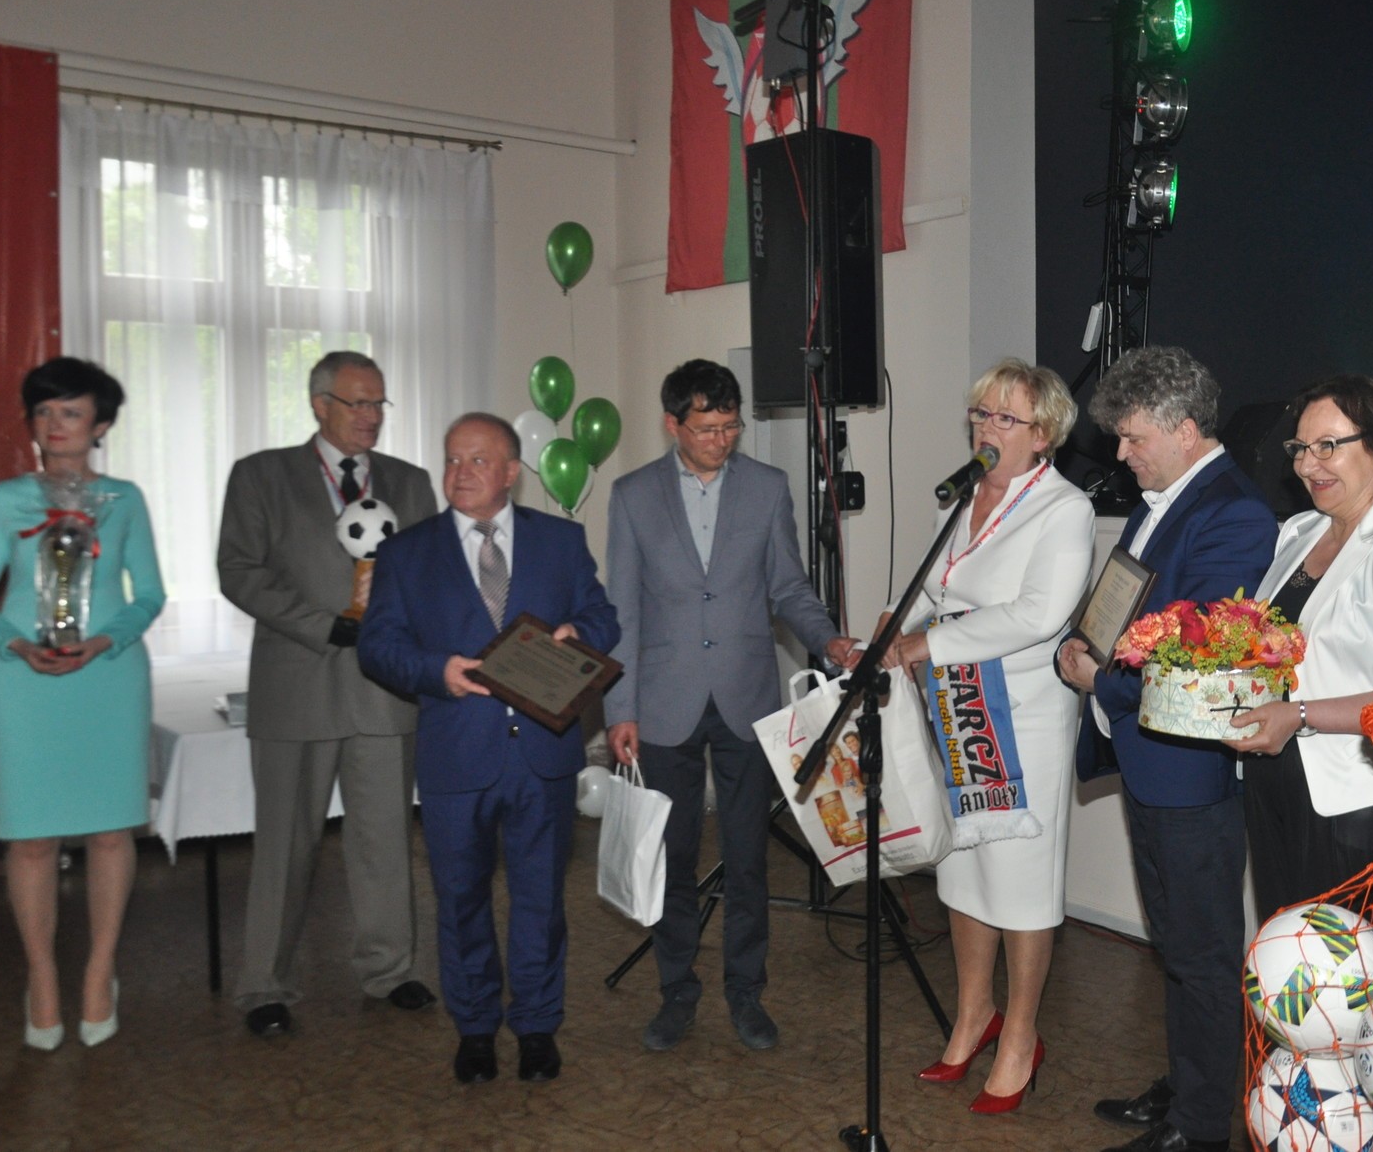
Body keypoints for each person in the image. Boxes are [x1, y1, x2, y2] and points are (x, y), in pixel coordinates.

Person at [602, 358, 859, 1053]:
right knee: (674, 854)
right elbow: (621, 610)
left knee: (748, 857)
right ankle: (676, 991)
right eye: (706, 428)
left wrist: (829, 639)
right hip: (663, 702)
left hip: (746, 697)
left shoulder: (767, 488)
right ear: (672, 424)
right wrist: (619, 708)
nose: (721, 439)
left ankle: (746, 992)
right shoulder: (633, 496)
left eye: (730, 426)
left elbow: (789, 587)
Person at [1055, 345, 1275, 1152]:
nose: (1120, 452)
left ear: (1185, 429)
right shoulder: (1166, 500)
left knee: (1202, 954)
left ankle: (1200, 1127)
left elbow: (1198, 654)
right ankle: (1188, 1085)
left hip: (1192, 772)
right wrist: (1081, 642)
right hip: (1155, 764)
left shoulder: (1234, 513)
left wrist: (1098, 680)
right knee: (1177, 947)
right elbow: (1127, 615)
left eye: (1133, 436)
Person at [359, 412, 618, 1085]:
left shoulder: (560, 540)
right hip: (456, 752)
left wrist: (577, 634)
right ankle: (474, 1027)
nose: (461, 472)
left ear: (510, 472)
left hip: (542, 753)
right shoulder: (407, 552)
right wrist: (435, 671)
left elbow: (603, 616)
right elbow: (377, 645)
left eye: (478, 460)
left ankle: (537, 1026)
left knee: (540, 901)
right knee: (460, 900)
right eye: (452, 459)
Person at [883, 359, 1095, 1114]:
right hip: (957, 708)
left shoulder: (1064, 508)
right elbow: (934, 586)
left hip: (1023, 717)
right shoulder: (966, 494)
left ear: (1044, 435)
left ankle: (1022, 1036)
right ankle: (974, 1015)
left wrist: (927, 644)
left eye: (1006, 418)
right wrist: (895, 626)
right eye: (980, 413)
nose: (987, 428)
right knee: (962, 869)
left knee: (1021, 882)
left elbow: (1040, 614)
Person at [217, 350, 440, 1037]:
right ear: (320, 405)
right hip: (296, 685)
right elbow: (238, 571)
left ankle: (390, 970)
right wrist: (325, 626)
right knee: (285, 845)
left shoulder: (410, 482)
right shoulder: (260, 475)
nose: (371, 416)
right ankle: (265, 984)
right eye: (357, 402)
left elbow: (432, 574)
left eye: (379, 403)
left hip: (383, 692)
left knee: (383, 840)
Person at [0, 357, 164, 1049]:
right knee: (32, 838)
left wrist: (104, 641)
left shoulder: (124, 499)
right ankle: (41, 975)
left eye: (70, 411)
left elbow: (150, 594)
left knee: (110, 833)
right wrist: (15, 645)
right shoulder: (7, 499)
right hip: (23, 683)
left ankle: (100, 971)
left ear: (101, 425)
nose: (54, 423)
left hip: (107, 678)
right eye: (43, 411)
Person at [1226, 374, 1373, 921]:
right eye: (1300, 447)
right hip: (1274, 783)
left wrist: (1301, 715)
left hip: (1352, 802)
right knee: (1282, 958)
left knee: (1344, 968)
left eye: (1328, 446)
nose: (1307, 465)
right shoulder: (1300, 532)